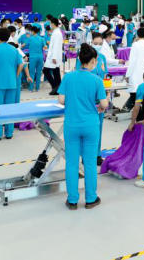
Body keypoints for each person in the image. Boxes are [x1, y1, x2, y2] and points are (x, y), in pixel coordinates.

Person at [57, 44, 107, 210]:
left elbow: (61, 100)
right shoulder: (97, 80)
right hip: (91, 125)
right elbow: (104, 104)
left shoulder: (68, 77)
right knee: (90, 163)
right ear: (93, 61)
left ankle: (72, 200)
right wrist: (100, 107)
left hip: (72, 125)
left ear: (79, 59)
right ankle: (91, 198)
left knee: (72, 162)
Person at [0, 27, 25, 140]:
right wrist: (15, 75)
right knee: (9, 110)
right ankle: (9, 133)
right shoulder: (14, 49)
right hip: (11, 83)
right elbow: (21, 64)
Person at [44, 17, 64, 95]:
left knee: (46, 71)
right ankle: (59, 89)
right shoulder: (56, 32)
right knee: (56, 72)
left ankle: (55, 86)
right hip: (53, 55)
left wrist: (54, 57)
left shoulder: (57, 33)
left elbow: (56, 46)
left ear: (52, 24)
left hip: (54, 56)